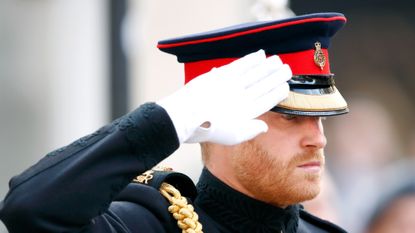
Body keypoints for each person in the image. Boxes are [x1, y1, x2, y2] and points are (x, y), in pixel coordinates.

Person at [0, 12, 349, 233]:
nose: (318, 140)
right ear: (220, 121)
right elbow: (30, 210)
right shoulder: (148, 224)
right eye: (290, 117)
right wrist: (169, 120)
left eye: (320, 118)